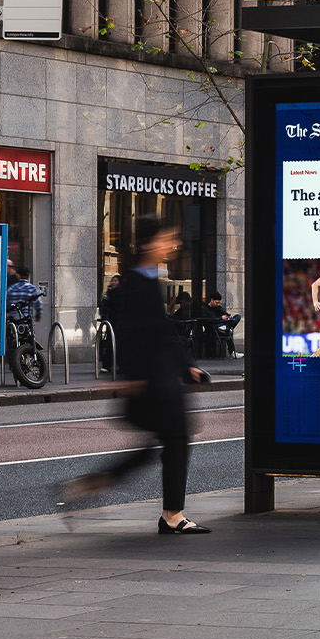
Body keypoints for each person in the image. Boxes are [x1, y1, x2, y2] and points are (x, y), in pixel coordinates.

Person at [64, 216, 214, 533]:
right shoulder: (135, 285)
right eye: (166, 238)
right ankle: (171, 515)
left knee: (162, 445)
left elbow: (162, 331)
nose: (172, 245)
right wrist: (132, 375)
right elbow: (131, 333)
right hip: (152, 382)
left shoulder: (147, 281)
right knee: (175, 439)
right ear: (148, 244)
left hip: (157, 379)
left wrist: (186, 366)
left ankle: (92, 484)